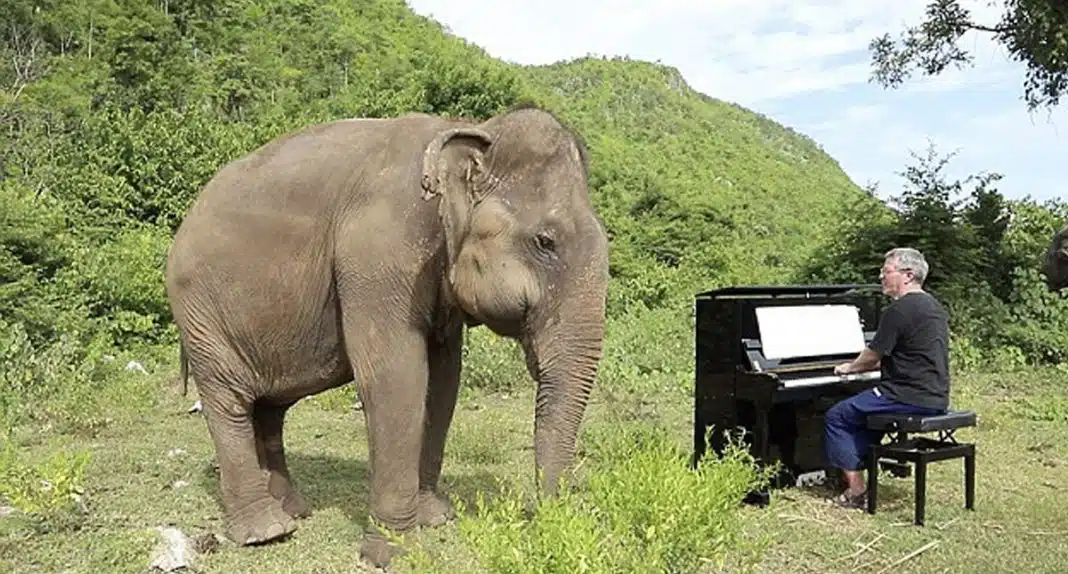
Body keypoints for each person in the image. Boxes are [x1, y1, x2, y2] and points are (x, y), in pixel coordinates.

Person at [824, 247, 951, 509]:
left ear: (908, 275)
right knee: (866, 417)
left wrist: (848, 368)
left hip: (905, 395)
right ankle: (853, 469)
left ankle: (856, 491)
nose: (881, 276)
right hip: (935, 395)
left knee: (837, 416)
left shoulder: (899, 309)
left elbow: (872, 357)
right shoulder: (933, 306)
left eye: (886, 271)